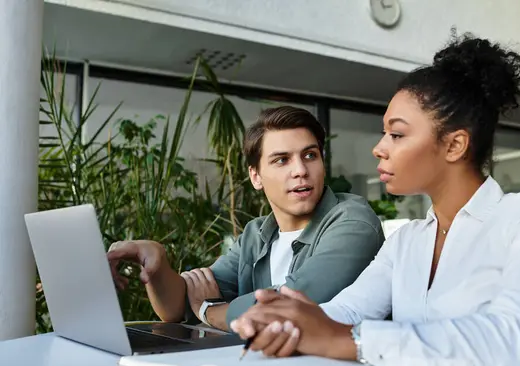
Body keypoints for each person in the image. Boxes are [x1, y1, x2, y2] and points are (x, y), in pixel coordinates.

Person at [230, 34, 520, 366]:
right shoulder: (407, 241)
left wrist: (351, 340)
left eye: (397, 134)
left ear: (454, 146)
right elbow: (346, 311)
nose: (379, 148)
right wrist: (287, 319)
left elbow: (511, 340)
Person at [107, 105, 385, 332]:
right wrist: (156, 265)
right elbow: (180, 306)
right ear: (256, 177)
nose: (300, 170)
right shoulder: (256, 234)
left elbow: (289, 306)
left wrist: (210, 310)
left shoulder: (353, 221)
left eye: (310, 155)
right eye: (282, 160)